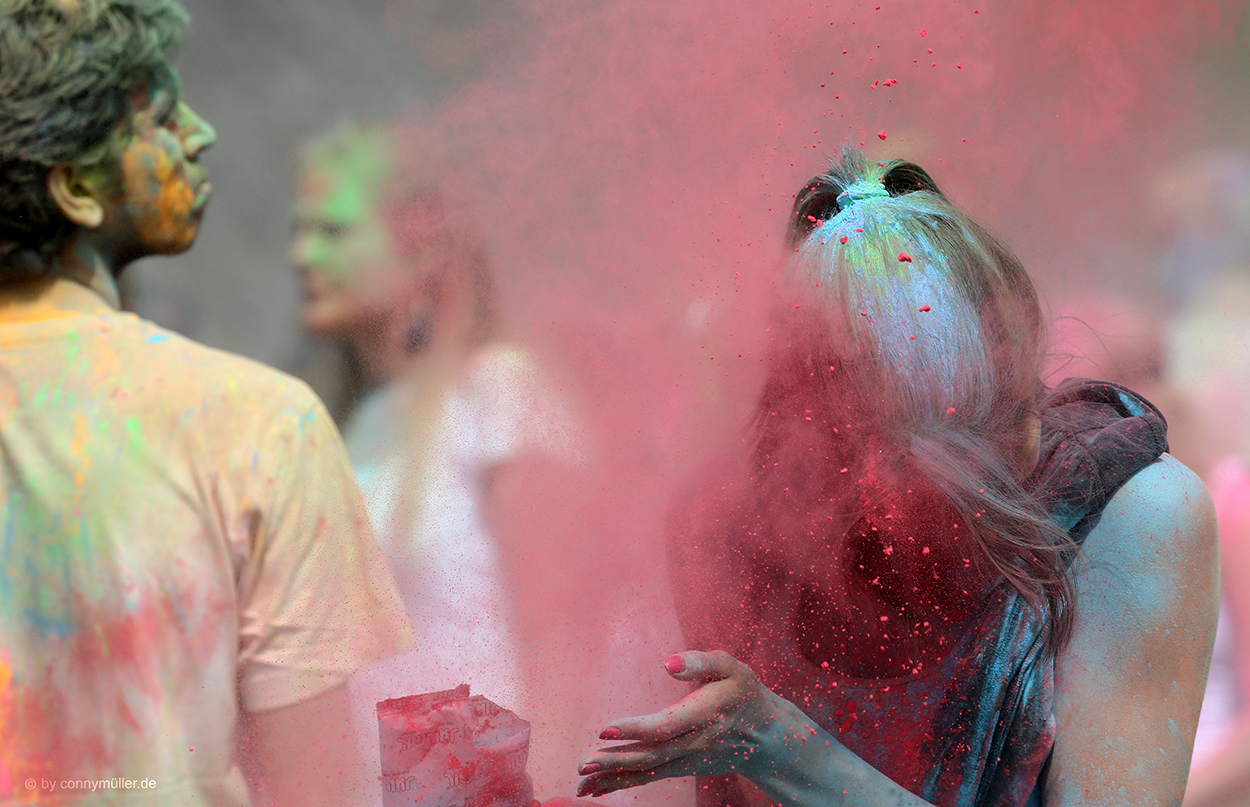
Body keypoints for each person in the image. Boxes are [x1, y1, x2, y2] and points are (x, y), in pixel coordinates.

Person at [574, 149, 1219, 806]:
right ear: (803, 433)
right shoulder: (729, 523)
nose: (922, 494)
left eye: (962, 445)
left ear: (1020, 364)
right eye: (882, 453)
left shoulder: (1131, 513)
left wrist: (779, 746)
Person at [0, 2, 413, 805]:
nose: (200, 131)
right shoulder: (256, 424)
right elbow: (314, 790)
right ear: (77, 187)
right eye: (158, 115)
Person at [291, 120, 604, 799]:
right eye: (301, 229)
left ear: (422, 238)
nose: (301, 254)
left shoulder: (504, 395)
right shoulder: (357, 423)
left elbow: (568, 647)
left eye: (333, 231)